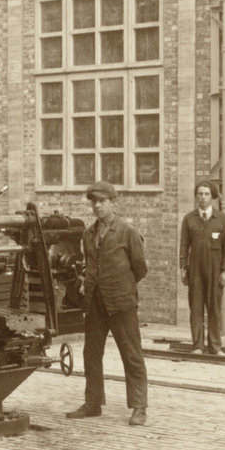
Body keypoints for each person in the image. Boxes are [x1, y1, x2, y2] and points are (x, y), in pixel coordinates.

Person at [66, 180, 150, 426]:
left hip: (122, 303)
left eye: (102, 201)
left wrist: (121, 286)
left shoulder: (128, 232)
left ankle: (139, 407)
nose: (97, 206)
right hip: (94, 303)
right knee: (91, 354)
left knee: (131, 354)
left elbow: (140, 268)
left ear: (113, 203)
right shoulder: (88, 234)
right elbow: (91, 265)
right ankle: (93, 404)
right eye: (94, 202)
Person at [179, 179, 225, 355]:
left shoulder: (222, 219)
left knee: (214, 309)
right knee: (196, 308)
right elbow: (183, 246)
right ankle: (197, 346)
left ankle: (215, 347)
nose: (203, 197)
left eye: (206, 194)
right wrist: (183, 268)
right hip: (195, 270)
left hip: (215, 270)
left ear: (212, 197)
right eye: (200, 194)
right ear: (196, 197)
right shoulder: (189, 219)